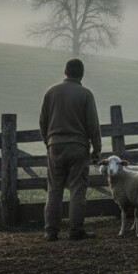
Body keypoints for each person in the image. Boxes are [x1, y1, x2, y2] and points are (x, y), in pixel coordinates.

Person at [39, 58, 102, 241]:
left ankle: (51, 231)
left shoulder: (51, 92)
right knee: (77, 189)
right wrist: (97, 148)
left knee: (54, 189)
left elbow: (43, 122)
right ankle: (76, 230)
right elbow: (92, 125)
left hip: (55, 146)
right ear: (81, 74)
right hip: (78, 147)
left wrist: (49, 142)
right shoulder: (86, 94)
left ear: (65, 72)